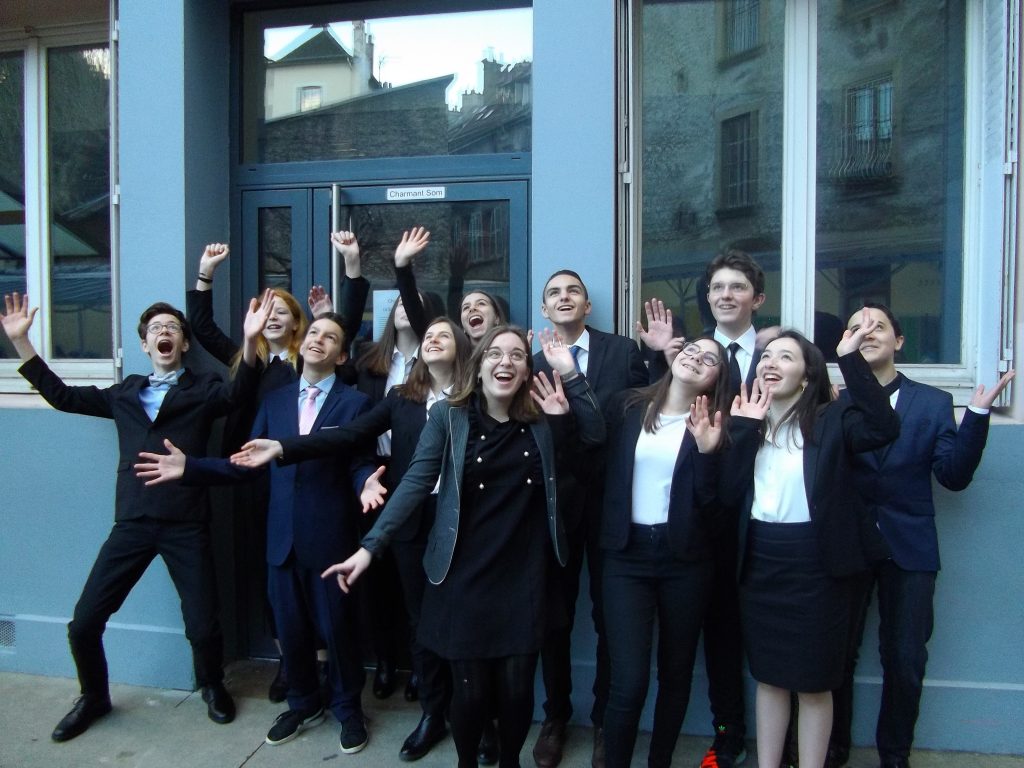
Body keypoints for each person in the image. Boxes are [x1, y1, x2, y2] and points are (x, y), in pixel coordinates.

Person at [322, 325, 605, 768]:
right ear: (478, 363)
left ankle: (509, 761)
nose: (505, 362)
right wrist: (369, 546)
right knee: (470, 694)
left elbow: (596, 436)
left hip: (526, 574)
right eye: (495, 353)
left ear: (527, 369)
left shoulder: (543, 419)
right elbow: (415, 481)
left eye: (516, 355)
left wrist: (570, 378)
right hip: (464, 575)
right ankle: (467, 762)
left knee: (515, 693)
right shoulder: (449, 417)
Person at [0, 291, 262, 742]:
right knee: (84, 621)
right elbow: (62, 396)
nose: (164, 332)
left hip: (186, 521)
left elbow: (241, 390)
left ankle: (212, 685)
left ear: (183, 345)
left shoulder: (204, 389)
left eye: (173, 329)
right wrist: (22, 344)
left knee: (202, 623)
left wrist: (251, 341)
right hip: (134, 523)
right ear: (145, 345)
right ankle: (94, 697)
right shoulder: (124, 393)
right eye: (156, 329)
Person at [134, 311, 385, 755]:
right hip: (280, 541)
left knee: (339, 632)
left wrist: (365, 479)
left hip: (330, 540)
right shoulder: (276, 401)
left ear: (342, 354)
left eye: (330, 338)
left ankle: (347, 709)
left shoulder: (355, 403)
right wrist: (190, 467)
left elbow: (357, 458)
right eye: (313, 334)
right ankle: (304, 703)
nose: (317, 341)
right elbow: (244, 463)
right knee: (291, 632)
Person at [231, 316, 474, 762]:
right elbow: (347, 438)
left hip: (472, 525)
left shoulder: (477, 399)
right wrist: (283, 448)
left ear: (463, 347)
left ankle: (474, 719)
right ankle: (433, 714)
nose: (434, 339)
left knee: (471, 624)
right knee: (421, 625)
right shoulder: (403, 399)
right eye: (429, 335)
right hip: (413, 524)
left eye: (444, 334)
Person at [826, 304, 1015, 768]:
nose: (866, 332)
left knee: (906, 659)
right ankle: (832, 752)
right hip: (847, 545)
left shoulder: (931, 403)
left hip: (908, 547)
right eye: (855, 327)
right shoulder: (834, 400)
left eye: (878, 326)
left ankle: (894, 755)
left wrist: (976, 415)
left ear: (900, 340)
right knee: (835, 658)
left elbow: (952, 476)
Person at [187, 236, 364, 702]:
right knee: (279, 584)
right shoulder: (251, 361)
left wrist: (348, 278)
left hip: (317, 490)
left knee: (322, 591)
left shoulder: (325, 374)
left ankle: (331, 682)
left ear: (299, 327)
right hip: (256, 482)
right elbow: (202, 327)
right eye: (265, 312)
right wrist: (205, 274)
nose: (272, 318)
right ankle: (292, 667)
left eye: (282, 311)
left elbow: (346, 329)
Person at [722, 315, 900, 768]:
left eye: (786, 356)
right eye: (765, 356)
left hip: (818, 565)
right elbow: (722, 496)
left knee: (816, 682)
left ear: (808, 372)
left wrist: (849, 358)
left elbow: (884, 426)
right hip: (761, 561)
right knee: (769, 678)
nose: (771, 363)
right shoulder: (743, 421)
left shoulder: (833, 418)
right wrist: (743, 428)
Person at [644, 249, 767, 768]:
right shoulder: (689, 353)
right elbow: (658, 405)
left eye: (736, 287)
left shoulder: (776, 351)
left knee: (763, 625)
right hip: (704, 516)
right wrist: (656, 354)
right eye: (717, 287)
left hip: (765, 515)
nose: (725, 295)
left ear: (756, 298)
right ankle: (728, 731)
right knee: (716, 630)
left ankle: (803, 738)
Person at [530, 269, 649, 768]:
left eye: (573, 290)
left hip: (613, 505)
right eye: (554, 293)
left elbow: (648, 413)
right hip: (553, 509)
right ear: (543, 310)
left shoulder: (622, 352)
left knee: (609, 618)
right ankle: (556, 715)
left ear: (588, 305)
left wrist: (662, 354)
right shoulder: (530, 362)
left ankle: (605, 720)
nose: (564, 298)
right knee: (554, 618)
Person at [600, 338, 731, 768]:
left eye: (710, 358)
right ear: (674, 357)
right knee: (629, 681)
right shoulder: (627, 406)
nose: (697, 357)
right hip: (626, 556)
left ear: (716, 378)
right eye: (693, 349)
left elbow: (718, 512)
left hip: (686, 561)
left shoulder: (716, 425)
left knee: (676, 676)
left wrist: (710, 455)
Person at [390, 225, 507, 347]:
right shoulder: (454, 357)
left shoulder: (508, 355)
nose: (472, 309)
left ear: (497, 318)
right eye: (466, 308)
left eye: (481, 303)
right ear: (462, 326)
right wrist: (402, 266)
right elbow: (416, 315)